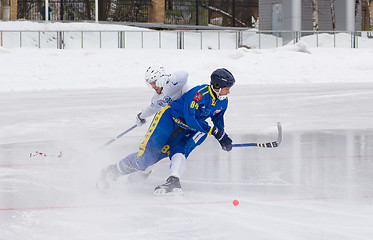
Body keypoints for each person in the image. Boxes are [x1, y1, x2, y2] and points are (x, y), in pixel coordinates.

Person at [98, 68, 235, 195]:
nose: (228, 92)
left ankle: (173, 179)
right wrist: (141, 116)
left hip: (186, 128)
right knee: (147, 158)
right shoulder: (196, 94)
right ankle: (112, 171)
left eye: (154, 83)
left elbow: (218, 118)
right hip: (169, 120)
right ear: (217, 86)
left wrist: (222, 136)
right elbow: (180, 115)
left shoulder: (175, 85)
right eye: (227, 89)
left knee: (180, 150)